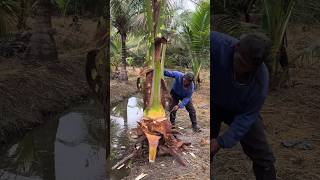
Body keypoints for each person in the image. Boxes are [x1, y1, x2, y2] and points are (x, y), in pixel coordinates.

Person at [210, 31, 276, 180]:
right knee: (205, 149)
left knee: (263, 156)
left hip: (239, 110)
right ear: (236, 47)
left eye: (248, 68)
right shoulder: (215, 44)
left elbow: (247, 118)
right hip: (212, 103)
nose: (242, 70)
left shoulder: (260, 80)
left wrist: (221, 141)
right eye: (240, 63)